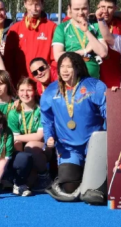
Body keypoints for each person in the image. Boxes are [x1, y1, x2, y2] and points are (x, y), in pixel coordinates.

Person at [40, 52, 108, 201]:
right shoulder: (51, 91)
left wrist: (109, 138)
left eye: (69, 67)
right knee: (69, 187)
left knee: (94, 194)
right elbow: (47, 119)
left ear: (77, 68)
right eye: (62, 66)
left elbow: (108, 112)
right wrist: (49, 136)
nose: (64, 70)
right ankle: (74, 180)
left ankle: (92, 182)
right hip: (68, 148)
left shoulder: (94, 86)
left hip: (93, 145)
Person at [5, 0, 57, 85]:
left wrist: (51, 78)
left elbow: (55, 59)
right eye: (30, 4)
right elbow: (9, 60)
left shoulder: (52, 27)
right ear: (25, 4)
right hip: (22, 83)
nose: (34, 8)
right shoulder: (15, 29)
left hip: (44, 83)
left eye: (37, 4)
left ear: (42, 5)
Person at [9, 78, 52, 189]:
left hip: (43, 148)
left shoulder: (41, 110)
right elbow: (16, 141)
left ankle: (44, 176)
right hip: (24, 150)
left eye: (29, 90)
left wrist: (17, 137)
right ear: (17, 92)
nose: (25, 94)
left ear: (35, 91)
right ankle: (22, 172)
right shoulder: (14, 112)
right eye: (22, 90)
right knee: (28, 183)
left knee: (30, 145)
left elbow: (39, 136)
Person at [53, 0, 109, 79]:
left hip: (92, 80)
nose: (81, 12)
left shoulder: (96, 26)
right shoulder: (62, 28)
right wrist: (84, 51)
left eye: (84, 8)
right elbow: (58, 56)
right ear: (70, 9)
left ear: (89, 8)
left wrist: (87, 31)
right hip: (72, 81)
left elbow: (103, 53)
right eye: (76, 9)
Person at [94, 0, 121, 89]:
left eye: (110, 7)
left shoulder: (120, 23)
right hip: (95, 70)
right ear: (98, 6)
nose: (106, 11)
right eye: (103, 7)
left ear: (115, 8)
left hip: (114, 72)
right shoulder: (90, 23)